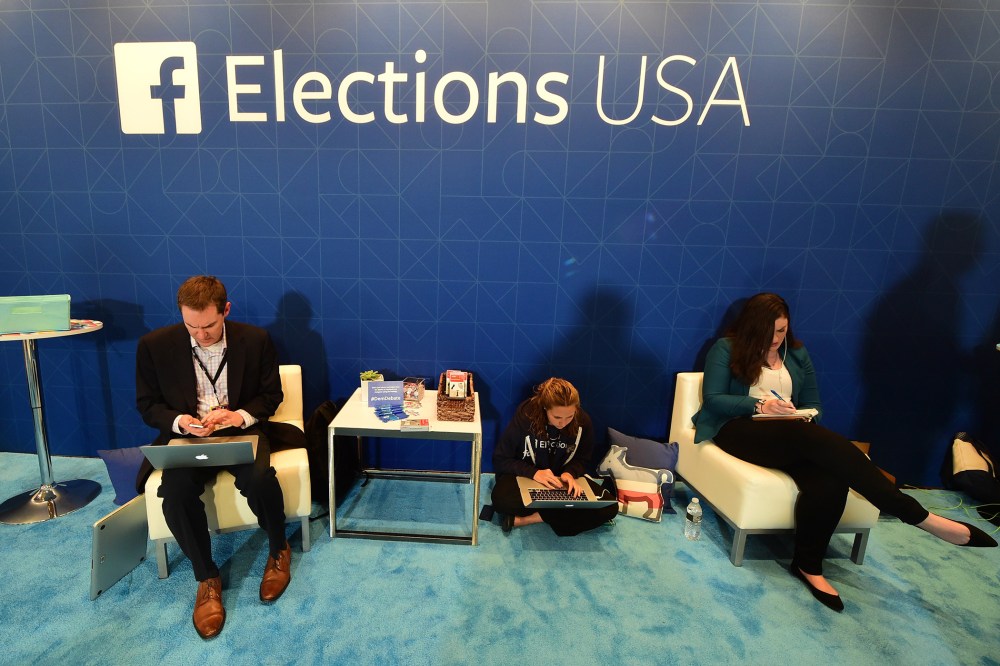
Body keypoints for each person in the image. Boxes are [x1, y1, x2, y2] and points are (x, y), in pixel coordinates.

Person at [693, 292, 997, 612]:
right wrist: (761, 404)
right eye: (769, 331)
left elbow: (816, 405)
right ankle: (915, 514)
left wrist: (801, 413)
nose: (775, 338)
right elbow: (714, 399)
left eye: (781, 330)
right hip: (739, 429)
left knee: (830, 479)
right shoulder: (726, 349)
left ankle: (808, 566)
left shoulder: (795, 354)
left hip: (792, 433)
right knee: (807, 438)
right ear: (752, 326)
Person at [135, 276, 292, 639]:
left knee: (259, 479)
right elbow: (147, 405)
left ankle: (278, 549)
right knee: (173, 493)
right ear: (182, 316)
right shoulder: (153, 346)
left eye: (209, 325)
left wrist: (238, 416)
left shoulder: (256, 341)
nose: (202, 334)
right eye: (192, 326)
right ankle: (206, 577)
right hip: (187, 439)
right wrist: (180, 422)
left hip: (240, 431)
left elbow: (271, 396)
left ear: (226, 310)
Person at [491, 377, 618, 535]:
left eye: (569, 416)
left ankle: (532, 518)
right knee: (501, 500)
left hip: (561, 483)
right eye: (557, 417)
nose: (563, 423)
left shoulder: (583, 421)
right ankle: (560, 514)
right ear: (545, 408)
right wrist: (534, 473)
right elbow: (501, 459)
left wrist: (569, 474)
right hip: (528, 477)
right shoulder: (526, 416)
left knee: (609, 508)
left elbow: (582, 459)